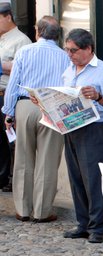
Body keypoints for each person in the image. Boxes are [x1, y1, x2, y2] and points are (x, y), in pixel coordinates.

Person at [2, 16, 69, 222]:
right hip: (52, 106)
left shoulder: (24, 51)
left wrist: (9, 113)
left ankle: (23, 210)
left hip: (25, 105)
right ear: (57, 35)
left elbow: (13, 84)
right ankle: (41, 211)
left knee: (23, 158)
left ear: (37, 31)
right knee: (48, 161)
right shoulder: (64, 56)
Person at [61, 28, 103, 243]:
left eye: (73, 50)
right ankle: (83, 224)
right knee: (76, 176)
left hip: (94, 128)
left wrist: (98, 96)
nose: (69, 54)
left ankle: (98, 227)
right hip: (71, 126)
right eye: (67, 50)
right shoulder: (69, 69)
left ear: (88, 49)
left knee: (93, 178)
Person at [0, 2, 31, 192]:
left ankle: (11, 178)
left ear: (8, 17)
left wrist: (2, 66)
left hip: (7, 95)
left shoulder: (21, 41)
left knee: (10, 139)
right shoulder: (2, 40)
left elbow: (22, 70)